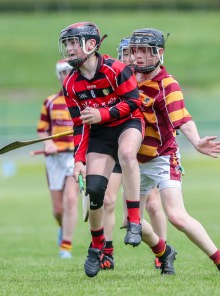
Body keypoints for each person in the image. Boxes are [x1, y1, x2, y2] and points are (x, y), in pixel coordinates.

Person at [129, 27, 220, 275]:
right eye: (134, 50)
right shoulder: (128, 81)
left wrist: (196, 141)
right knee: (132, 222)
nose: (137, 56)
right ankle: (163, 251)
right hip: (135, 162)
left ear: (159, 53)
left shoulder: (167, 85)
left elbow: (182, 118)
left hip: (162, 157)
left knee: (177, 217)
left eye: (144, 51)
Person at [58, 22, 146, 277]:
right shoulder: (71, 85)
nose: (69, 49)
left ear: (91, 44)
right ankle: (97, 246)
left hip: (127, 123)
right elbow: (79, 126)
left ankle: (134, 221)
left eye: (74, 43)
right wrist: (78, 159)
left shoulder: (116, 70)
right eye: (67, 44)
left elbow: (133, 103)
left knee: (128, 154)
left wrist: (103, 113)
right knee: (95, 191)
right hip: (99, 134)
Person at [100, 37, 169, 271]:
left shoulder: (149, 79)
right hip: (118, 147)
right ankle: (106, 252)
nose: (129, 58)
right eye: (125, 53)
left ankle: (163, 251)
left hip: (144, 152)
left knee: (152, 204)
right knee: (108, 200)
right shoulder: (114, 78)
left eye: (133, 53)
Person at [36, 59, 79, 259]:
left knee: (71, 200)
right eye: (62, 73)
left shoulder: (83, 100)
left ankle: (66, 247)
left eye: (69, 72)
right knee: (58, 209)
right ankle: (63, 228)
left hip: (75, 157)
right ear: (58, 76)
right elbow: (42, 129)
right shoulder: (50, 102)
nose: (66, 76)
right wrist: (48, 143)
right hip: (54, 159)